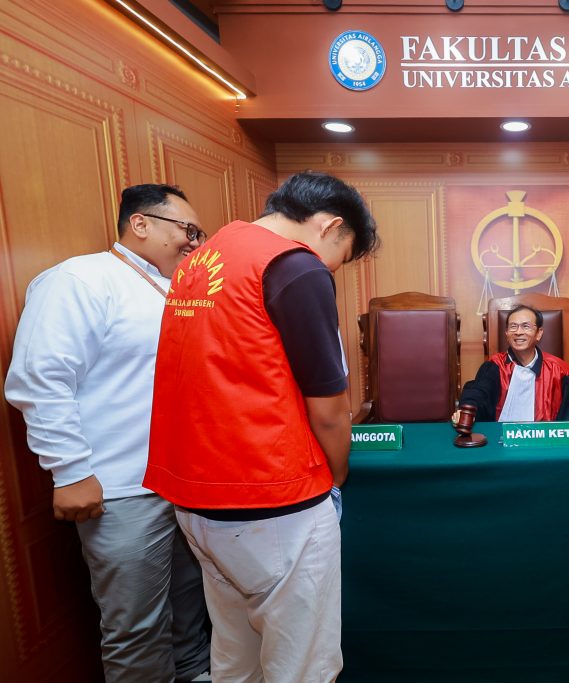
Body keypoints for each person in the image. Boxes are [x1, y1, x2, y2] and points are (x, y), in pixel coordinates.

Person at [144, 171, 379, 682]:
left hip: (197, 495)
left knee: (236, 657)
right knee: (302, 666)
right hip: (272, 495)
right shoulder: (294, 265)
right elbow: (329, 406)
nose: (331, 268)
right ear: (329, 226)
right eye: (341, 255)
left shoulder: (207, 255)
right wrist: (337, 474)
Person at [4, 185, 211, 682]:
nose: (194, 243)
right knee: (137, 630)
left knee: (191, 619)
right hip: (121, 490)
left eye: (198, 234)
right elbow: (40, 379)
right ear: (140, 224)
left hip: (182, 486)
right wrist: (70, 472)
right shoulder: (80, 279)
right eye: (187, 230)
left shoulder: (172, 290)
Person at [456, 305, 569, 422]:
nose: (518, 332)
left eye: (526, 326)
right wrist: (468, 410)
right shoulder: (495, 366)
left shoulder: (560, 371)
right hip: (500, 436)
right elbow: (478, 393)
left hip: (544, 437)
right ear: (506, 333)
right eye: (513, 326)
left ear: (539, 333)